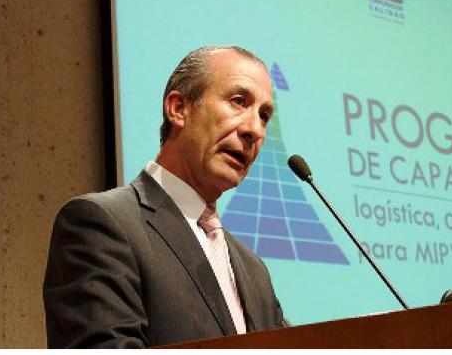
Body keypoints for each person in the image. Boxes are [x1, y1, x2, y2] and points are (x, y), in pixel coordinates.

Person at [43, 46, 288, 348]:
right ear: (178, 108)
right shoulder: (101, 225)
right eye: (239, 101)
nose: (255, 130)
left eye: (264, 116)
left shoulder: (253, 271)